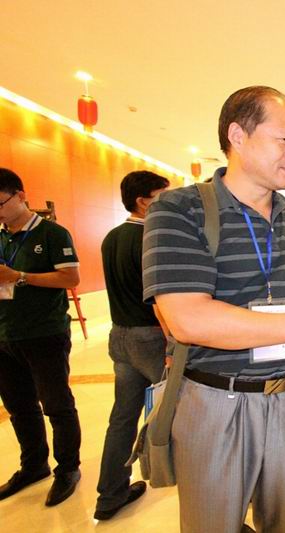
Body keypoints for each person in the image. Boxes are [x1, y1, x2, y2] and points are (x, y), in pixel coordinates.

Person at [142, 86, 285, 533]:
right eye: (283, 140)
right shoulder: (180, 210)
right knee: (212, 523)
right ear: (237, 135)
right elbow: (187, 319)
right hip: (215, 400)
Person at [0, 168, 82, 506]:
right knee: (19, 407)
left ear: (20, 195)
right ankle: (34, 465)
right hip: (5, 334)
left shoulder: (52, 234)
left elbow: (70, 279)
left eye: (0, 204)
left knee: (57, 405)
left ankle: (68, 469)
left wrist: (19, 275)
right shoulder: (1, 236)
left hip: (45, 333)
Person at [94, 171, 170, 520]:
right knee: (179, 413)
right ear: (143, 201)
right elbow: (160, 301)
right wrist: (174, 345)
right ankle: (206, 492)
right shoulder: (152, 238)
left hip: (120, 337)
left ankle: (110, 495)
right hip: (151, 338)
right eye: (162, 196)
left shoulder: (111, 238)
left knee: (122, 418)